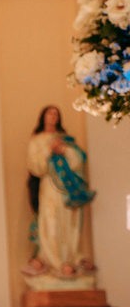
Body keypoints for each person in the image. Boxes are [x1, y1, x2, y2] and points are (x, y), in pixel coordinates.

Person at [24, 104, 95, 278]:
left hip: (68, 187)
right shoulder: (37, 140)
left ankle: (71, 258)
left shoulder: (66, 139)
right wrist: (49, 149)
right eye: (50, 113)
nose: (53, 116)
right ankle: (53, 260)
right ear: (43, 117)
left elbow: (78, 161)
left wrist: (63, 150)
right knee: (51, 221)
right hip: (50, 186)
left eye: (56, 114)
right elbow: (35, 166)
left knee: (70, 222)